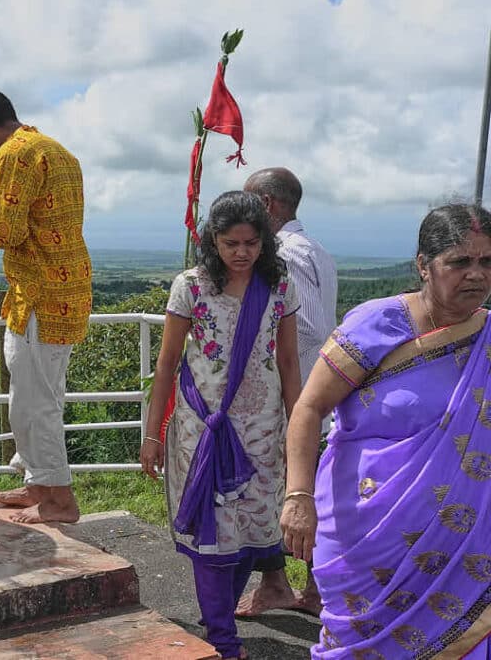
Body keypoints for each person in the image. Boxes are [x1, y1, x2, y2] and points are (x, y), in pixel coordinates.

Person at [281, 203, 491, 659]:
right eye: (460, 261)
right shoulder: (377, 323)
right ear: (423, 265)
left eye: (487, 262)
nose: (476, 274)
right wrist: (297, 497)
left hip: (462, 548)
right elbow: (309, 407)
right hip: (366, 537)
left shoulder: (487, 338)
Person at [141, 191, 302, 660]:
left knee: (251, 530)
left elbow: (289, 362)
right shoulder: (191, 286)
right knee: (214, 533)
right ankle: (223, 638)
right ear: (214, 240)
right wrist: (152, 434)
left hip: (263, 428)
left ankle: (219, 621)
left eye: (251, 243)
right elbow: (168, 361)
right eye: (231, 243)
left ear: (264, 242)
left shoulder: (279, 285)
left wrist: (299, 432)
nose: (242, 252)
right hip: (203, 427)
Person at [0, 89, 92, 524]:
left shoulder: (14, 154)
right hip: (63, 293)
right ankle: (38, 486)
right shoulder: (56, 149)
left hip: (41, 296)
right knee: (34, 398)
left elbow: (10, 232)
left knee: (35, 406)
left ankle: (59, 502)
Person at [236, 167, 337, 618]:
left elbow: (311, 325)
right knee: (308, 489)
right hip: (313, 390)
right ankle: (310, 587)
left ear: (266, 205)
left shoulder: (286, 254)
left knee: (278, 488)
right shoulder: (316, 248)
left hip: (295, 391)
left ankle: (278, 584)